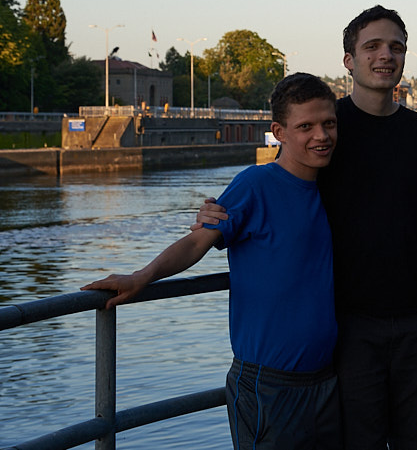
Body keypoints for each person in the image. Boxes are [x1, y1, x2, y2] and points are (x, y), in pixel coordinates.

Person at [198, 6, 417, 449]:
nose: (385, 56)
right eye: (372, 46)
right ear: (348, 59)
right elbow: (281, 188)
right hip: (350, 325)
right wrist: (219, 211)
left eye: (396, 47)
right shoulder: (326, 126)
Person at [83, 73, 342, 450]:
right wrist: (143, 276)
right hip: (269, 384)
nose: (320, 135)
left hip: (327, 380)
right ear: (279, 132)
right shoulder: (255, 185)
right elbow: (196, 243)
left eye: (328, 123)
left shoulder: (333, 187)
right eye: (305, 126)